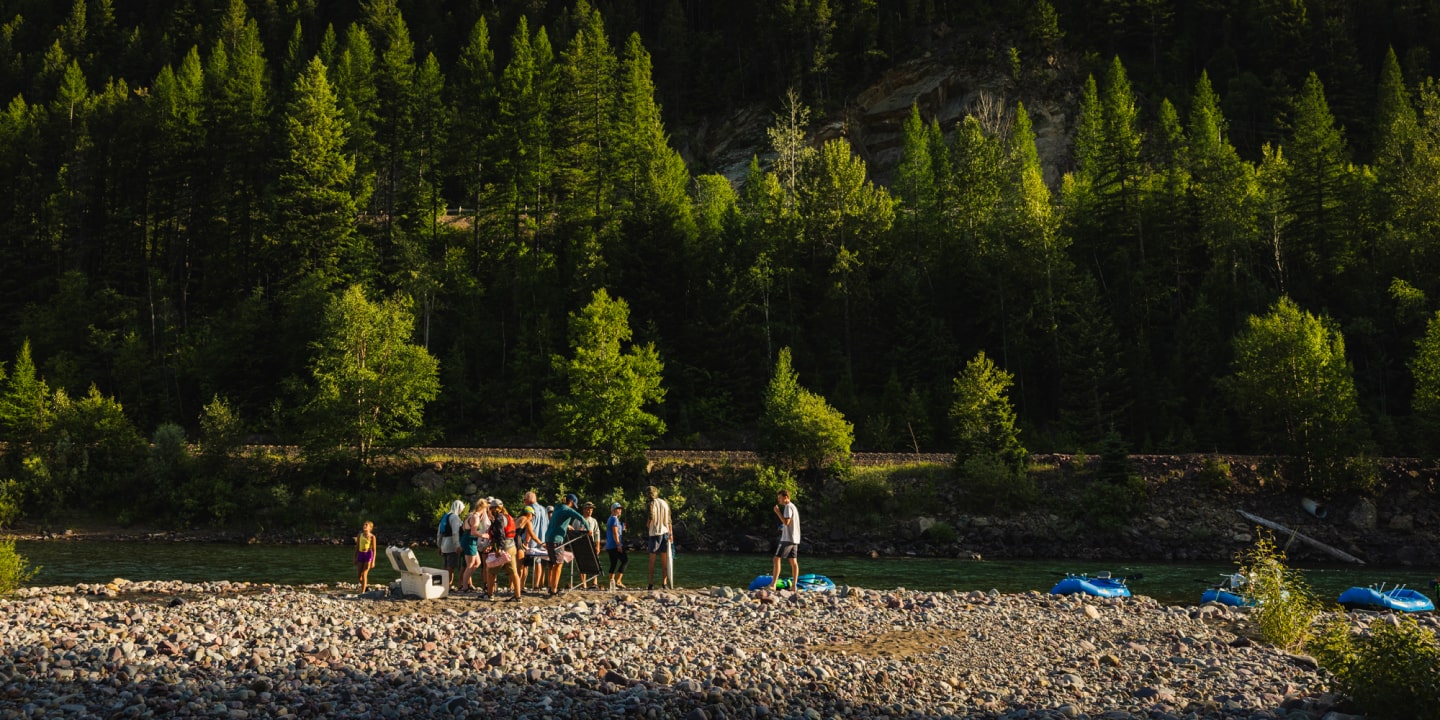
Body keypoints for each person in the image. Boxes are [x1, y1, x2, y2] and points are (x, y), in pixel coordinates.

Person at [544, 493, 587, 596]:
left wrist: (567, 526)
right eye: (573, 504)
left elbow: (557, 521)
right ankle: (554, 589)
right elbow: (581, 518)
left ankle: (552, 587)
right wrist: (588, 529)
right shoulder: (567, 510)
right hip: (556, 539)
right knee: (559, 564)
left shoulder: (558, 508)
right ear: (571, 502)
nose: (573, 506)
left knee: (555, 564)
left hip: (548, 538)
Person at [484, 499, 522, 602]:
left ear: (495, 508)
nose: (490, 510)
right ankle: (518, 597)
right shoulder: (508, 516)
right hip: (512, 547)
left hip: (504, 549)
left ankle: (489, 595)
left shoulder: (499, 518)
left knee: (491, 572)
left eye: (491, 508)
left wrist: (499, 548)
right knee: (514, 572)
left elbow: (500, 534)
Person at [768, 489, 801, 591]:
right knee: (793, 562)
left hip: (787, 539)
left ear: (786, 497)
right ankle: (794, 586)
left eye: (780, 498)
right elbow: (789, 523)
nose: (779, 500)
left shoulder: (787, 506)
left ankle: (773, 585)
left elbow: (786, 522)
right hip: (795, 538)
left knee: (776, 559)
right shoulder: (793, 507)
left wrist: (777, 512)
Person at [645, 485, 672, 590]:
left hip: (654, 533)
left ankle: (651, 584)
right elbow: (669, 520)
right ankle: (664, 583)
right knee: (664, 560)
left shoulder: (650, 503)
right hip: (665, 532)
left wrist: (648, 524)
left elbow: (651, 516)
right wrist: (671, 534)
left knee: (652, 561)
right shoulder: (665, 502)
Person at [436, 500, 465, 591]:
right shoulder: (455, 517)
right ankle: (448, 585)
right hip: (451, 544)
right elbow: (455, 532)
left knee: (445, 566)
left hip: (444, 543)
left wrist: (439, 545)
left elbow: (439, 533)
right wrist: (457, 545)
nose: (461, 511)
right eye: (461, 509)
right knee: (451, 566)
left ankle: (443, 584)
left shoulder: (445, 516)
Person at [525, 491, 549, 590]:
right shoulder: (543, 509)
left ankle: (522, 585)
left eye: (524, 499)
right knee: (538, 562)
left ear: (529, 499)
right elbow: (547, 524)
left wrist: (526, 541)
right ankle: (536, 585)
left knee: (524, 564)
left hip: (533, 540)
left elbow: (530, 528)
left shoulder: (531, 510)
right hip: (542, 540)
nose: (524, 502)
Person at [458, 504, 484, 593]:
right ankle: (464, 586)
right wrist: (483, 535)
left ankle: (466, 582)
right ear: (483, 508)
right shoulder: (475, 517)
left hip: (469, 541)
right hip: (470, 541)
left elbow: (463, 527)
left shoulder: (470, 515)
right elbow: (473, 532)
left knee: (478, 562)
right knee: (470, 564)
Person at [513, 505, 537, 590]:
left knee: (516, 566)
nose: (532, 518)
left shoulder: (517, 519)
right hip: (517, 543)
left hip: (514, 542)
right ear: (529, 514)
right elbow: (533, 535)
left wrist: (523, 545)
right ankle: (518, 588)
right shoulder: (526, 519)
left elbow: (515, 533)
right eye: (533, 516)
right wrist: (541, 543)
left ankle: (517, 587)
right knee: (520, 567)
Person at [578, 501, 602, 589]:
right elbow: (573, 532)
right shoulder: (578, 520)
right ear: (584, 510)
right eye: (588, 509)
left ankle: (594, 582)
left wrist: (598, 546)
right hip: (581, 544)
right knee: (582, 564)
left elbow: (597, 534)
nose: (590, 511)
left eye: (591, 510)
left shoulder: (593, 521)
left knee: (594, 563)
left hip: (591, 544)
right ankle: (583, 583)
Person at [605, 502, 628, 589]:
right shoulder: (614, 519)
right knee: (625, 561)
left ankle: (612, 584)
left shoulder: (611, 519)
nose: (620, 510)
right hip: (615, 545)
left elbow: (616, 531)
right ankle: (618, 581)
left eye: (621, 509)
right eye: (619, 509)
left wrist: (622, 528)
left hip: (609, 545)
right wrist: (618, 544)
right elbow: (615, 532)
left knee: (613, 563)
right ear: (614, 510)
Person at [354, 520, 376, 594]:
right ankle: (365, 587)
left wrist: (373, 561)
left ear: (370, 527)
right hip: (360, 554)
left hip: (368, 555)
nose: (364, 526)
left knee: (364, 574)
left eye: (366, 525)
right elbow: (357, 547)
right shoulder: (360, 535)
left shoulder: (372, 537)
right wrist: (355, 557)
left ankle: (363, 592)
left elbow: (374, 550)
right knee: (359, 576)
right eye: (364, 524)